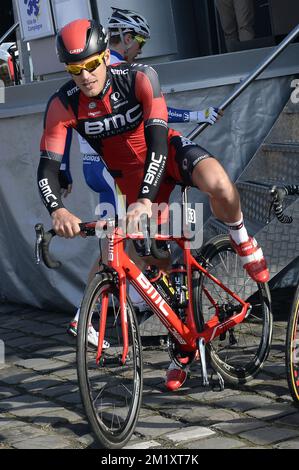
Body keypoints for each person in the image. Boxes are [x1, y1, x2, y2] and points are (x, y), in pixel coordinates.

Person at [37, 18, 269, 392]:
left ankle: (242, 240)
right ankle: (182, 347)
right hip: (131, 180)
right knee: (154, 271)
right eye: (75, 69)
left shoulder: (140, 76)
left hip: (168, 156)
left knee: (219, 184)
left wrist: (145, 198)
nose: (85, 75)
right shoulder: (63, 103)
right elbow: (47, 166)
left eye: (92, 64)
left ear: (105, 57)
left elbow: (158, 140)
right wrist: (57, 209)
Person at [60, 8, 222, 343]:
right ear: (128, 38)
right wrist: (197, 113)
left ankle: (136, 290)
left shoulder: (101, 68)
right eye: (141, 41)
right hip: (114, 168)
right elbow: (159, 112)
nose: (142, 49)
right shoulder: (112, 65)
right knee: (118, 240)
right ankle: (87, 316)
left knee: (134, 235)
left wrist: (63, 168)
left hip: (101, 166)